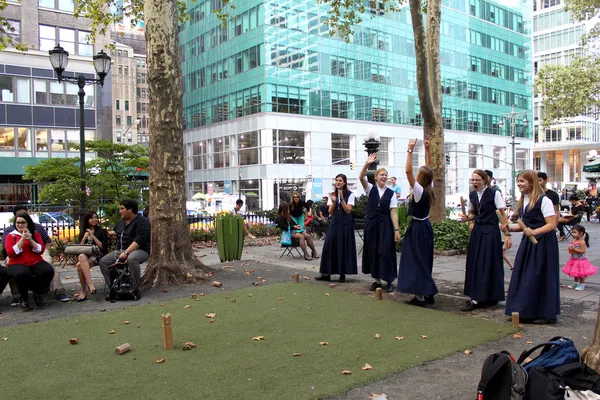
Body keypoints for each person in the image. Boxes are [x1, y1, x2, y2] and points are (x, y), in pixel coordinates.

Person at [505, 170, 559, 324]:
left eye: (522, 181)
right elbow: (525, 226)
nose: (519, 184)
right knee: (524, 276)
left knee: (540, 276)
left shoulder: (544, 200)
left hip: (543, 244)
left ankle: (544, 314)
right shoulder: (523, 201)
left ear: (531, 182)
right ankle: (525, 311)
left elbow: (552, 224)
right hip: (529, 243)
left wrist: (533, 231)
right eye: (518, 181)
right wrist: (509, 228)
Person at [460, 169, 511, 311]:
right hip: (478, 232)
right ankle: (476, 296)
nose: (474, 182)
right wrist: (467, 218)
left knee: (488, 263)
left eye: (477, 180)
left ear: (485, 180)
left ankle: (489, 296)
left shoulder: (494, 193)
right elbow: (473, 213)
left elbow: (502, 214)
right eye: (473, 180)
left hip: (491, 232)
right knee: (475, 263)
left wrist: (507, 235)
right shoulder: (472, 195)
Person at [397, 139, 438, 306]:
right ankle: (426, 293)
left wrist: (409, 150)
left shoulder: (419, 190)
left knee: (415, 260)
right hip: (425, 227)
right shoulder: (430, 187)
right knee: (423, 260)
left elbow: (408, 172)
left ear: (420, 176)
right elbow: (430, 168)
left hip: (417, 228)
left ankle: (421, 296)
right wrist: (427, 150)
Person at [2, 205, 70, 304]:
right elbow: (7, 250)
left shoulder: (37, 228)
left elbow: (47, 242)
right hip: (15, 255)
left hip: (37, 253)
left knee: (48, 264)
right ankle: (18, 295)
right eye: (18, 220)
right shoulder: (9, 231)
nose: (20, 223)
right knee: (14, 268)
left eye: (24, 217)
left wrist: (43, 251)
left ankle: (57, 290)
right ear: (15, 217)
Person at [360, 153, 401, 293]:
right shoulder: (370, 189)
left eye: (386, 175)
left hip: (385, 226)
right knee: (373, 251)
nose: (384, 177)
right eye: (381, 174)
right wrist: (367, 163)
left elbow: (393, 212)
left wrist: (396, 230)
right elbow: (360, 177)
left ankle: (388, 280)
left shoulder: (391, 193)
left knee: (385, 252)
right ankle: (376, 280)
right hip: (372, 225)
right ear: (376, 177)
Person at [98, 200, 151, 301]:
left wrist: (126, 253)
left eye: (122, 208)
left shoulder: (142, 222)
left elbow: (139, 240)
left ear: (130, 210)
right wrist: (113, 234)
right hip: (121, 250)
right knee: (103, 262)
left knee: (132, 258)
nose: (120, 211)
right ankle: (114, 289)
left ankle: (135, 289)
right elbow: (118, 232)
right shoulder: (121, 222)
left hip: (139, 250)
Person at [5, 213, 55, 309]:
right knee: (23, 273)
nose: (20, 225)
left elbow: (40, 250)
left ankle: (38, 293)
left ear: (28, 223)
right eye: (18, 222)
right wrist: (22, 240)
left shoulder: (35, 233)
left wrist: (31, 239)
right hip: (17, 262)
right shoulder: (11, 236)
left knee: (47, 270)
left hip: (34, 260)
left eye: (23, 222)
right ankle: (24, 298)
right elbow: (11, 253)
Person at [315, 174, 358, 282]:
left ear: (344, 182)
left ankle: (342, 274)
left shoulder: (350, 194)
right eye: (336, 180)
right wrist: (334, 200)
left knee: (342, 247)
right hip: (334, 223)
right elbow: (330, 211)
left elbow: (348, 210)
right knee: (329, 245)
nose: (338, 182)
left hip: (345, 224)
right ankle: (326, 273)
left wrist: (342, 199)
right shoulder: (333, 194)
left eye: (340, 180)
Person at [74, 211, 109, 302]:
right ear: (87, 220)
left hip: (98, 255)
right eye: (91, 218)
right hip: (86, 256)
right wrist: (85, 238)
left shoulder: (102, 231)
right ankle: (90, 285)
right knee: (81, 256)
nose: (94, 220)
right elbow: (80, 248)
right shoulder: (83, 232)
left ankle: (83, 291)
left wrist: (93, 236)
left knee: (79, 266)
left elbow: (103, 247)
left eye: (95, 217)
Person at [562, 225, 597, 291]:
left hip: (581, 261)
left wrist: (574, 249)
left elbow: (583, 251)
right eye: (572, 232)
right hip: (574, 259)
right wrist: (570, 248)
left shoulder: (582, 242)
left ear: (581, 233)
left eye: (575, 232)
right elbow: (571, 249)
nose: (573, 234)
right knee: (576, 272)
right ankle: (575, 283)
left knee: (581, 273)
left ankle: (581, 284)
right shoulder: (573, 240)